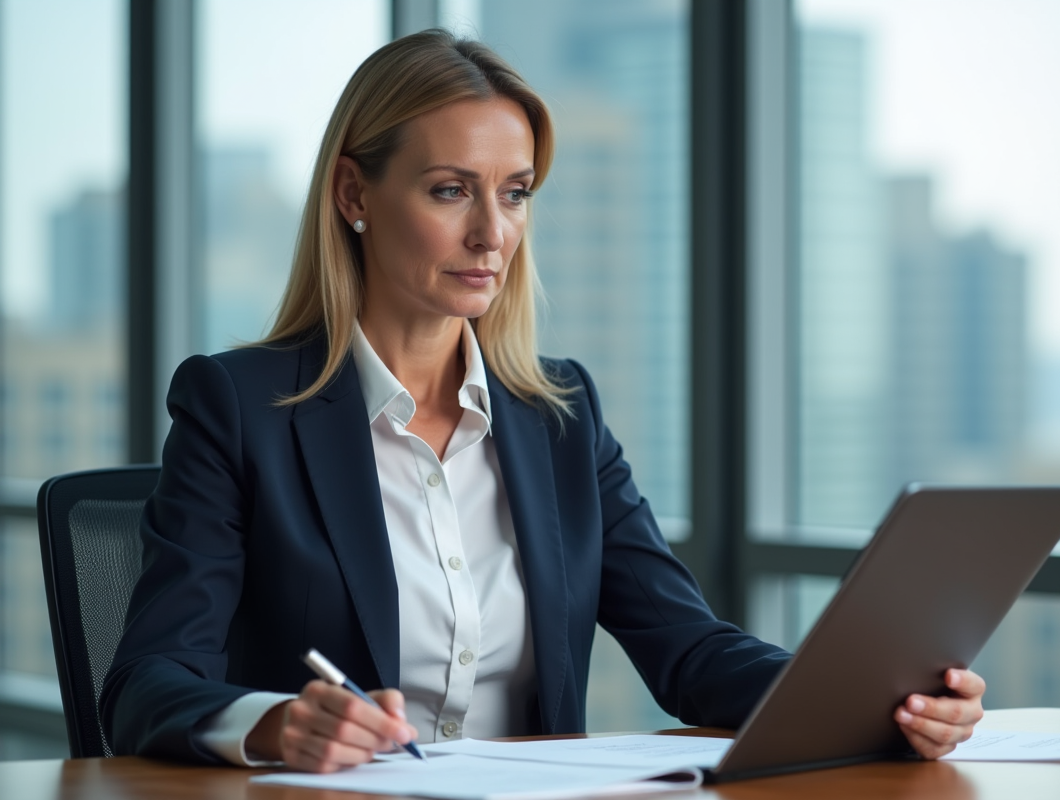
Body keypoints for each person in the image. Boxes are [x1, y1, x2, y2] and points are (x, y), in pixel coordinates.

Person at [100, 29, 985, 773]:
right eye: (451, 191)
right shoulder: (239, 406)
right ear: (353, 193)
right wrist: (274, 724)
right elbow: (147, 681)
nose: (493, 233)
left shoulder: (560, 414)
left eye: (515, 194)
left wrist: (880, 702)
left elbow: (686, 647)